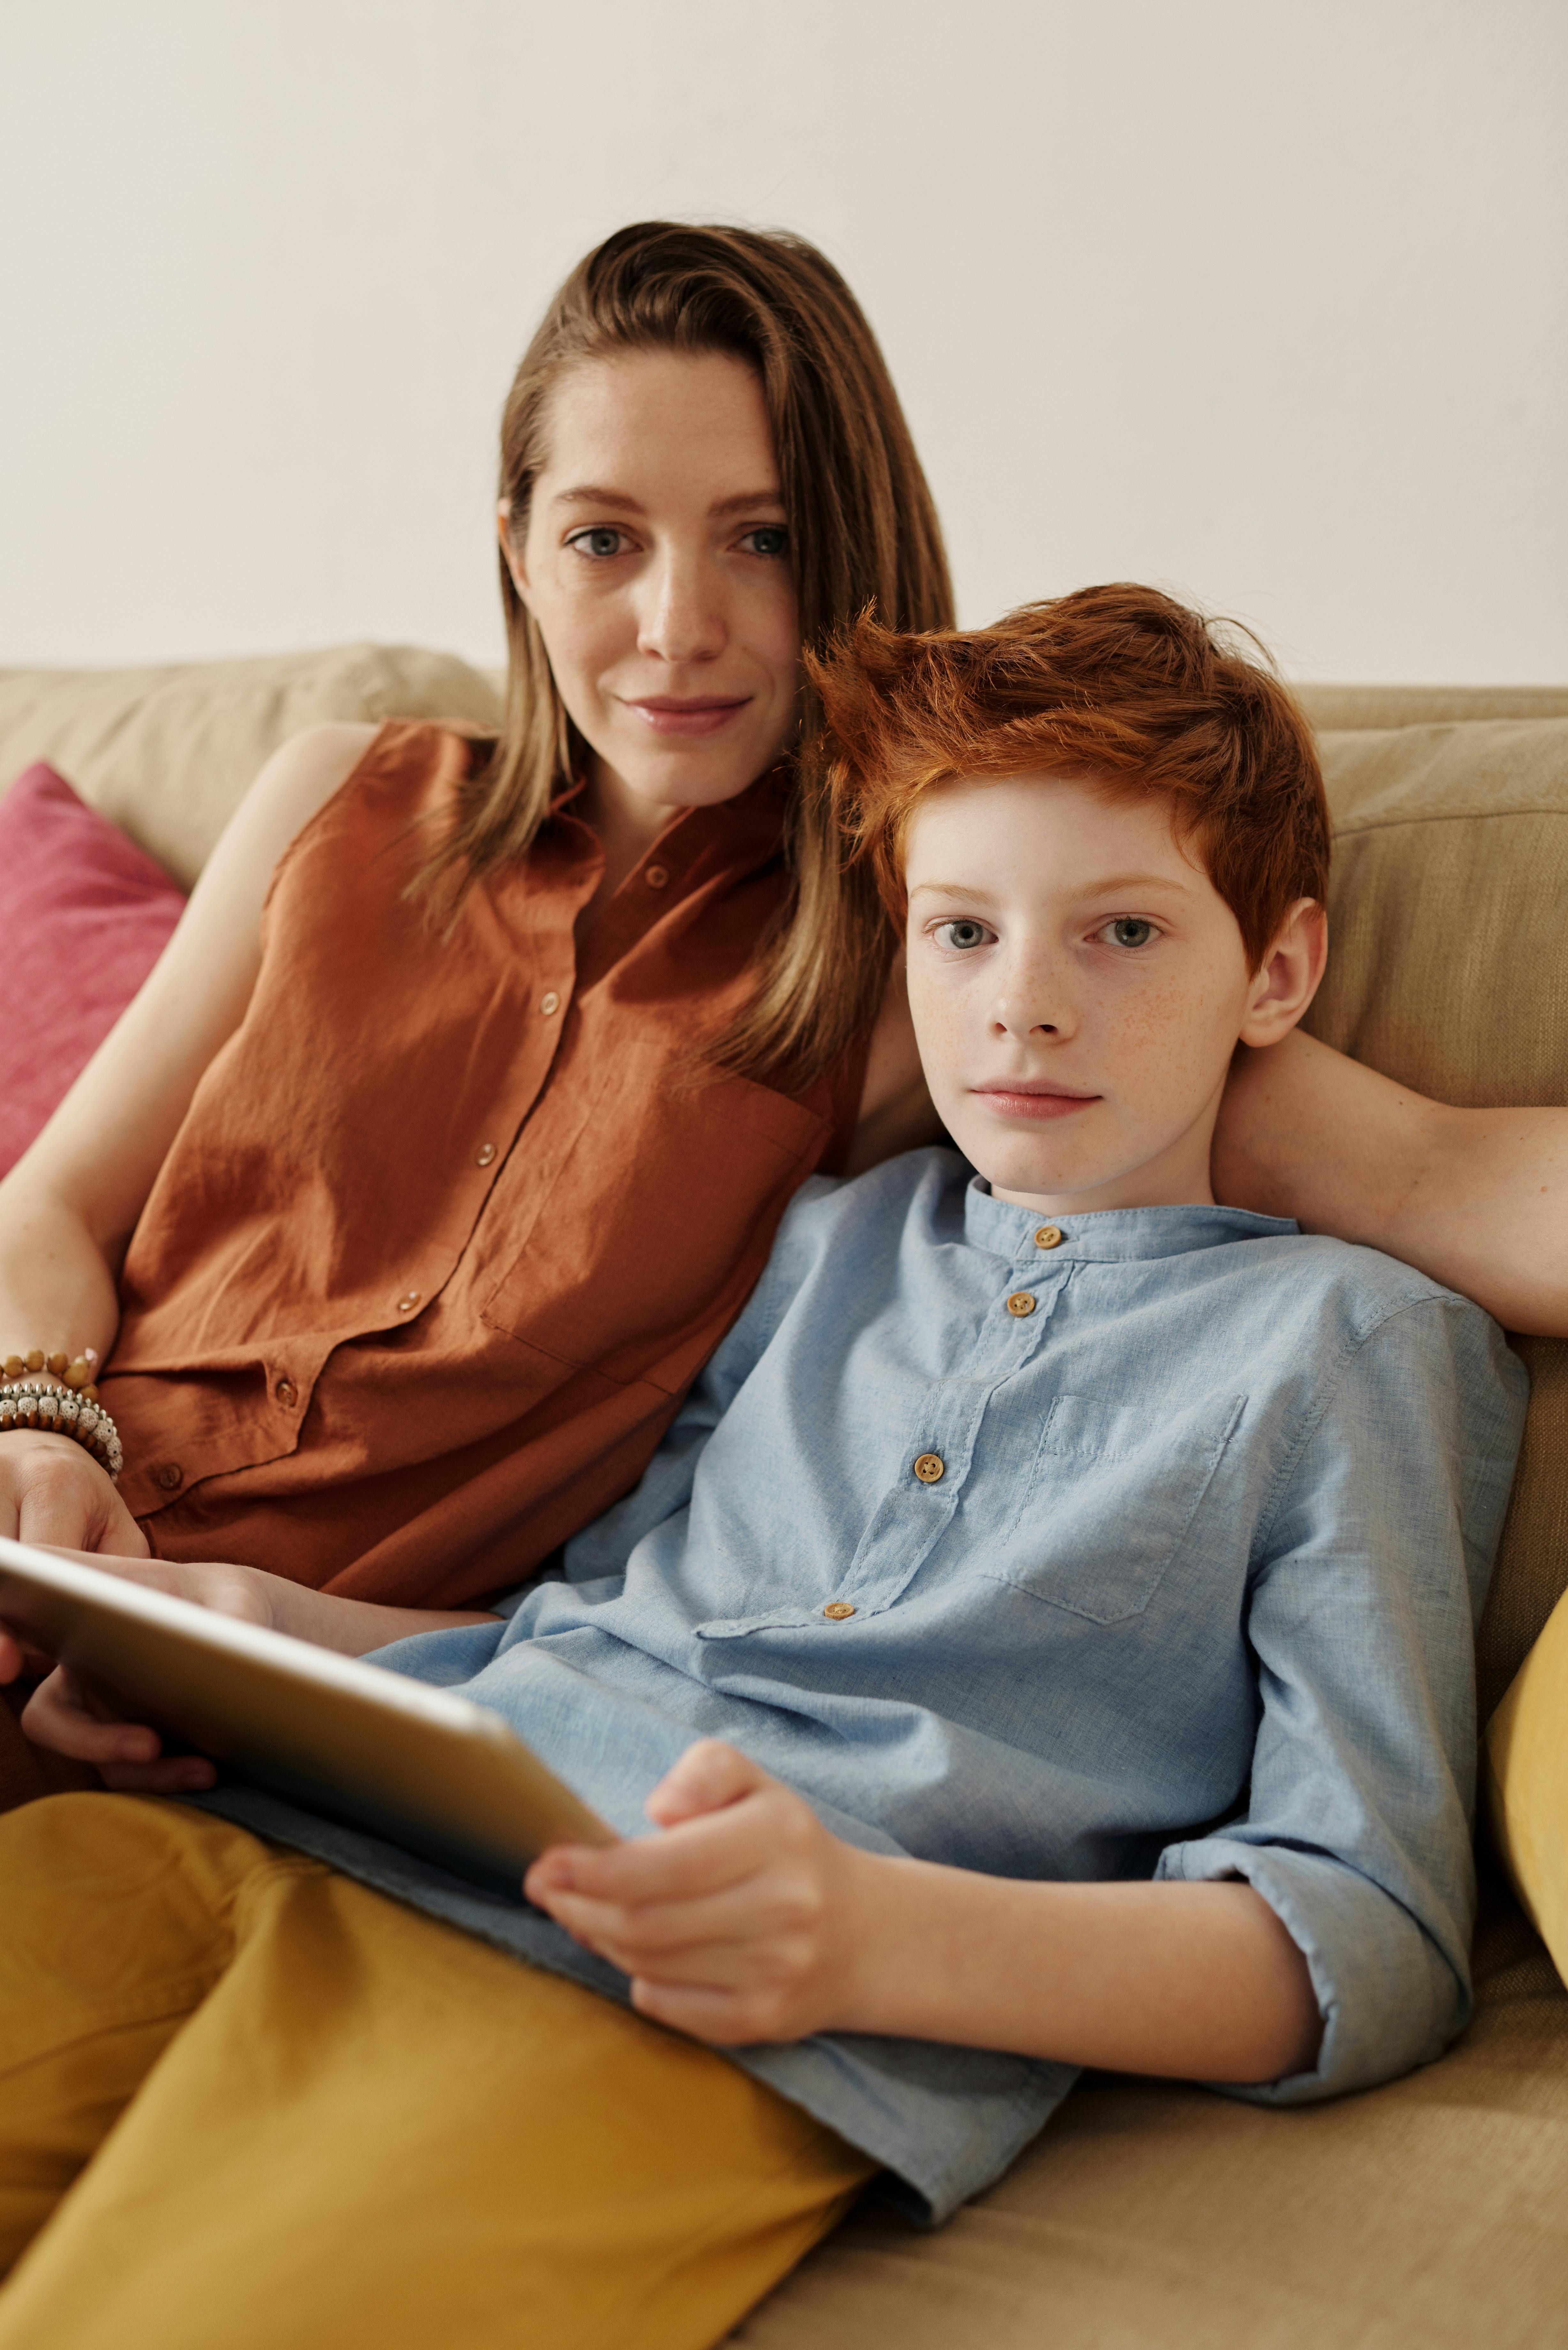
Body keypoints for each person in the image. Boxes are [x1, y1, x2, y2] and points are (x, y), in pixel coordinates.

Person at [0, 587, 1527, 2350]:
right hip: (315, 1830)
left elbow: (1377, 1932)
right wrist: (251, 1629)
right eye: (963, 934)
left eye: (1120, 935)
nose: (1024, 1008)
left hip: (684, 1994)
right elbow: (590, 1624)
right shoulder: (820, 1244)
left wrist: (876, 1944)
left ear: (1278, 972)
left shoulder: (1357, 1346)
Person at [2, 219, 1564, 1801]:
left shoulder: (928, 967)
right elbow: (50, 1206)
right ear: (517, 546)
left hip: (273, 1711)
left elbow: (1437, 1178)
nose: (678, 624)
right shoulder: (336, 792)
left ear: (851, 553)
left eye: (760, 538)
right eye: (606, 537)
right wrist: (42, 1431)